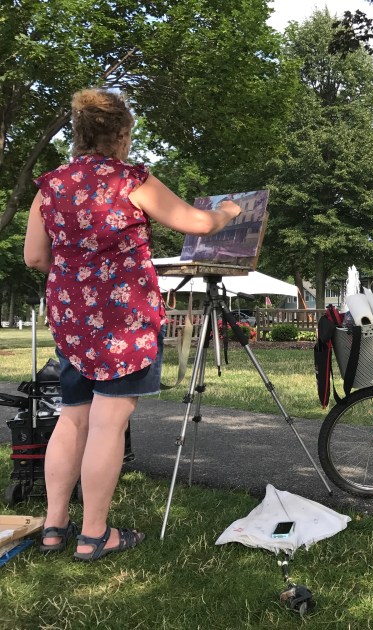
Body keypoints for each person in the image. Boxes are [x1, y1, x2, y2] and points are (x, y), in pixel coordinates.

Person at [23, 88, 241, 561]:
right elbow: (197, 224)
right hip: (123, 317)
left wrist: (79, 273)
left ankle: (55, 527)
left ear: (79, 133)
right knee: (108, 423)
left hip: (72, 317)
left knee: (72, 417)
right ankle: (94, 535)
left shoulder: (50, 185)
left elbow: (35, 256)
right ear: (121, 134)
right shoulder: (130, 181)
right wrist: (228, 210)